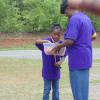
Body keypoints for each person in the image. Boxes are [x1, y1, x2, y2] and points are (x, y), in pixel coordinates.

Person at [51, 1, 97, 100]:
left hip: (77, 60)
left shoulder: (74, 19)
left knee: (78, 93)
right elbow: (94, 35)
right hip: (86, 59)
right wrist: (84, 41)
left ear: (68, 8)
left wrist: (57, 47)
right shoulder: (86, 18)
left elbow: (70, 41)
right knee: (83, 92)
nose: (66, 16)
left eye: (65, 13)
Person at [34, 23, 66, 100]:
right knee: (46, 90)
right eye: (54, 34)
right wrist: (45, 41)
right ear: (51, 33)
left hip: (56, 72)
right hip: (47, 71)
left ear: (61, 35)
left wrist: (60, 62)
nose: (56, 36)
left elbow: (64, 55)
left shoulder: (61, 44)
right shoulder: (46, 42)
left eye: (58, 35)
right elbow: (36, 42)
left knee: (56, 91)